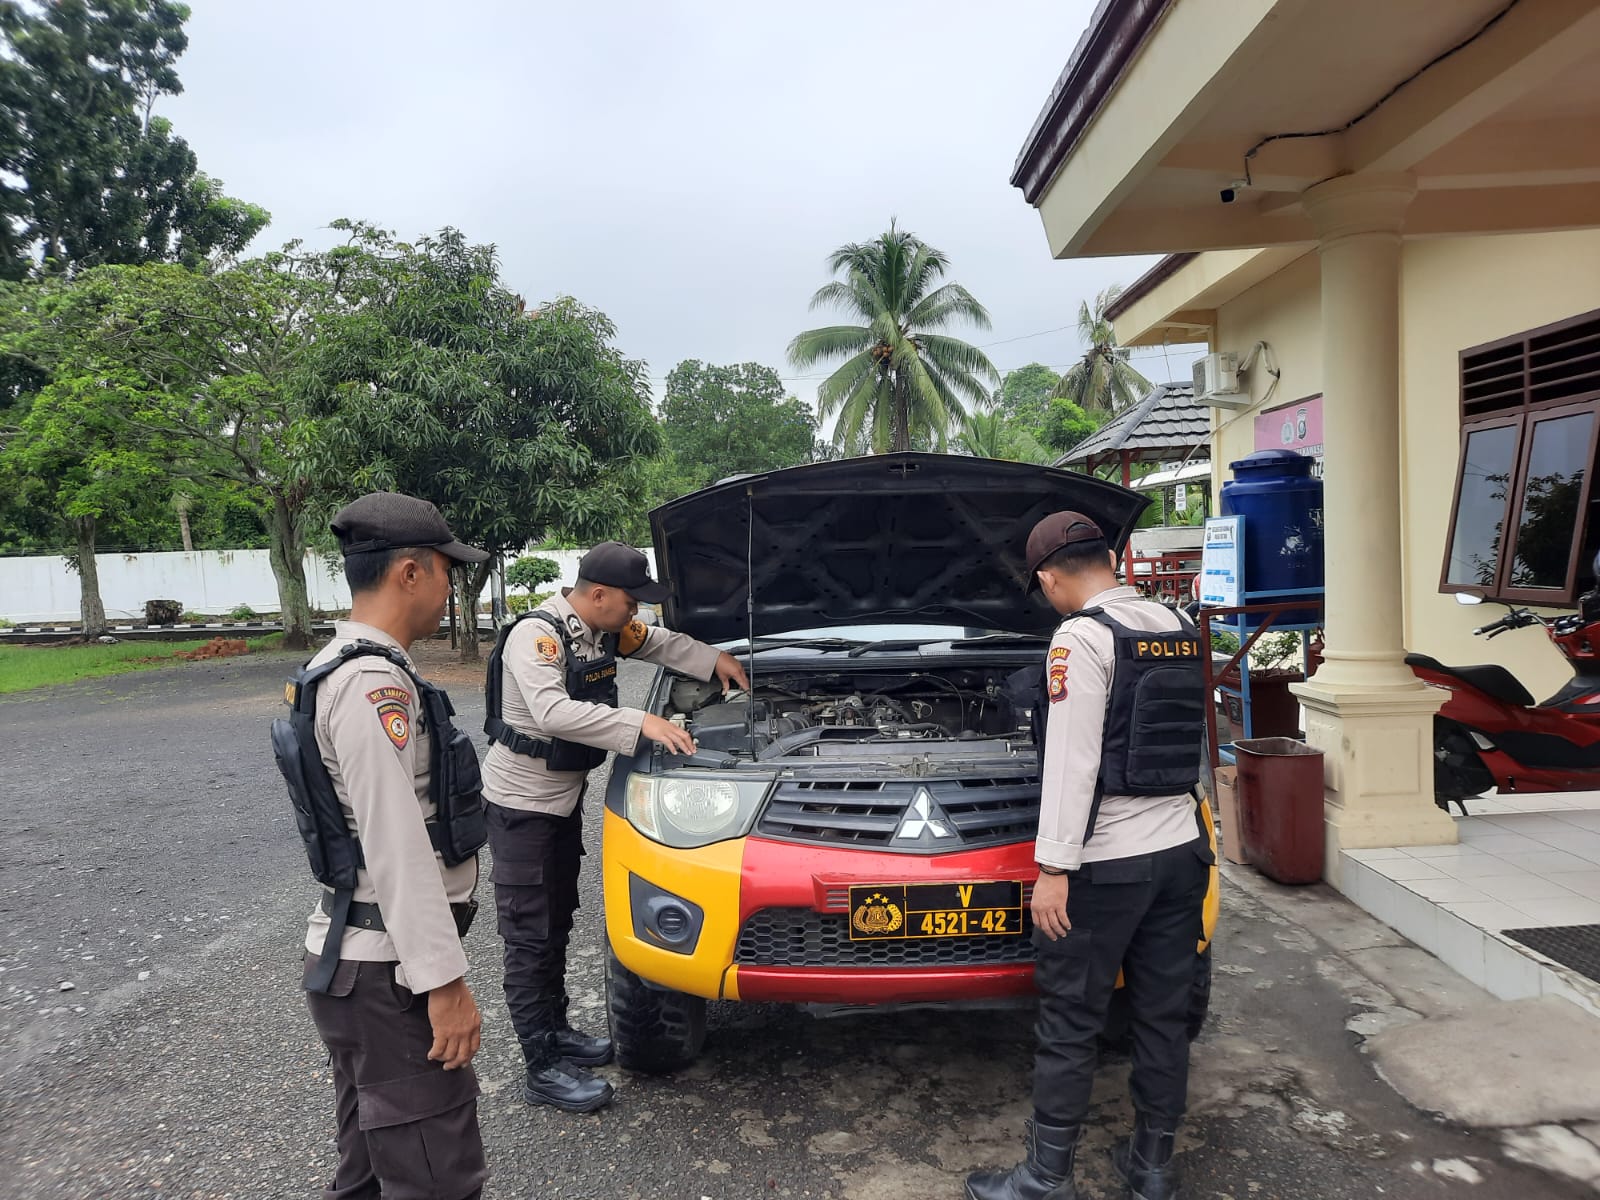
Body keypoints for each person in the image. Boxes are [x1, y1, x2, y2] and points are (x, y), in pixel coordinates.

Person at [968, 512, 1211, 1200]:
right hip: (1179, 849)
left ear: (1049, 578)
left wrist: (1052, 871)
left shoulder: (1081, 638)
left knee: (1071, 1020)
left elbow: (1073, 767)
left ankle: (1046, 1178)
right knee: (1161, 1017)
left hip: (1108, 864)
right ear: (1109, 557)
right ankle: (1152, 1169)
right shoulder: (1174, 625)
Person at [272, 492, 492, 1200]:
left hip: (360, 966)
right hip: (388, 976)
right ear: (410, 573)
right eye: (445, 573)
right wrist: (444, 983)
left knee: (367, 1172)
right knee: (438, 1180)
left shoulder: (343, 664)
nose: (449, 589)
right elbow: (398, 844)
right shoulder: (372, 682)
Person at [481, 540, 749, 1112]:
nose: (635, 614)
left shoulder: (601, 628)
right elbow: (553, 713)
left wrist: (714, 660)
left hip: (560, 798)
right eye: (630, 603)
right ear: (597, 594)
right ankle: (541, 1064)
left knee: (557, 920)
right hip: (521, 806)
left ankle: (558, 1034)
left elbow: (658, 643)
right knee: (529, 935)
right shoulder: (538, 638)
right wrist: (643, 723)